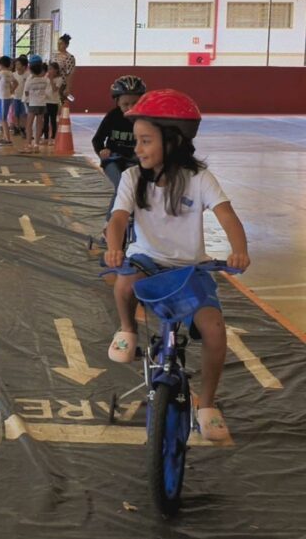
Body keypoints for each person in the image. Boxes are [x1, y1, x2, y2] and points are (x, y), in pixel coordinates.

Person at [104, 89, 250, 441]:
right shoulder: (133, 177)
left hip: (189, 269)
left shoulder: (200, 178)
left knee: (215, 330)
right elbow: (118, 218)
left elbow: (227, 215)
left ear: (172, 141)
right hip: (146, 260)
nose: (138, 148)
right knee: (124, 284)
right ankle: (127, 329)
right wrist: (113, 248)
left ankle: (207, 404)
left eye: (146, 141)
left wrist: (239, 250)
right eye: (137, 140)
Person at [93, 75, 147, 222]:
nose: (130, 108)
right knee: (120, 186)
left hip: (136, 160)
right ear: (117, 102)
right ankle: (110, 226)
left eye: (135, 103)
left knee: (142, 187)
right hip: (113, 160)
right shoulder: (113, 116)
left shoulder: (145, 119)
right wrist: (102, 151)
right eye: (125, 104)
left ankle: (139, 221)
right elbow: (97, 139)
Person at [22, 55, 50, 154]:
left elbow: (26, 93)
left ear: (30, 69)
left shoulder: (30, 80)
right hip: (42, 104)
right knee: (39, 124)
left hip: (33, 104)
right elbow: (47, 91)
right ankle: (36, 145)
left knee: (29, 125)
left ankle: (29, 145)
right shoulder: (45, 80)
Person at [0, 56, 17, 146]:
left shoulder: (1, 73)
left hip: (2, 98)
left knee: (3, 119)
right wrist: (11, 90)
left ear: (1, 64)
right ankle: (5, 137)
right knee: (2, 118)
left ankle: (7, 139)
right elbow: (16, 83)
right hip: (7, 97)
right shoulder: (10, 73)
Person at [42, 62, 62, 144]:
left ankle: (53, 137)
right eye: (48, 69)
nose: (49, 71)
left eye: (51, 69)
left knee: (53, 120)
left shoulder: (59, 79)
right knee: (45, 120)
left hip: (53, 102)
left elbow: (54, 89)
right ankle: (46, 138)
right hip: (46, 101)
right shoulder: (46, 77)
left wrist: (51, 79)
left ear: (56, 70)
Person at [11, 55, 29, 138]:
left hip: (25, 99)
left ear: (24, 66)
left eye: (18, 64)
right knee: (16, 113)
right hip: (15, 97)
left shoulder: (28, 75)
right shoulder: (13, 74)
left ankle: (23, 128)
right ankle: (16, 127)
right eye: (16, 64)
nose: (16, 66)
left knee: (23, 114)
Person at [55, 33, 75, 102]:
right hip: (53, 83)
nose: (58, 45)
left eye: (61, 44)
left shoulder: (69, 57)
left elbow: (69, 74)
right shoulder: (54, 56)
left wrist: (67, 88)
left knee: (60, 102)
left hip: (62, 84)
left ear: (66, 45)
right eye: (58, 43)